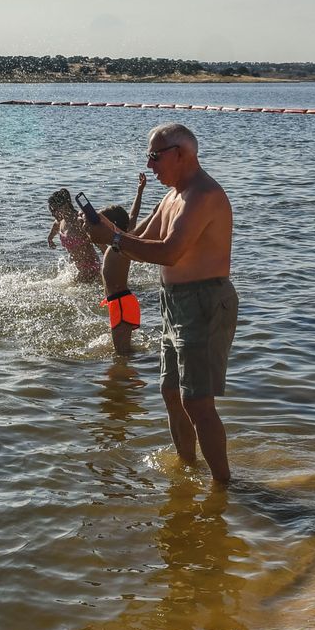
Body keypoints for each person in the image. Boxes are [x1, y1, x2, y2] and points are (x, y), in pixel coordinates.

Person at [83, 124, 237, 484]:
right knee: (171, 394)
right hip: (174, 303)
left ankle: (223, 487)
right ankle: (187, 473)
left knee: (198, 402)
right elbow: (137, 241)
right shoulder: (172, 196)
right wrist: (104, 230)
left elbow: (169, 252)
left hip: (205, 300)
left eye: (155, 155)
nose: (149, 164)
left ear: (181, 153)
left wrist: (115, 238)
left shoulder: (204, 194)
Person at [99, 173, 150, 355]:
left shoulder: (121, 244)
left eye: (100, 222)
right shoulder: (114, 242)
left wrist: (154, 214)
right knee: (121, 351)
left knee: (122, 354)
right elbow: (132, 215)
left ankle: (130, 380)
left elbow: (135, 219)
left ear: (111, 225)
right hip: (117, 302)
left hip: (121, 301)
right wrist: (139, 191)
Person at [46, 189, 102, 282]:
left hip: (90, 267)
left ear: (65, 206)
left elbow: (100, 243)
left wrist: (110, 264)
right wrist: (50, 239)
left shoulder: (79, 221)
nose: (52, 214)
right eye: (50, 210)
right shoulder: (60, 222)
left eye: (54, 210)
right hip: (77, 268)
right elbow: (55, 228)